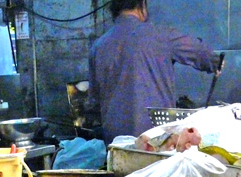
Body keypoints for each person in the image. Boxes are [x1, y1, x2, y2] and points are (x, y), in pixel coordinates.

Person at [87, 0, 222, 143]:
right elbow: (203, 54)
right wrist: (216, 62)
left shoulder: (98, 47)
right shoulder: (162, 36)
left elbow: (94, 102)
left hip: (115, 143)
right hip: (156, 143)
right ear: (142, 4)